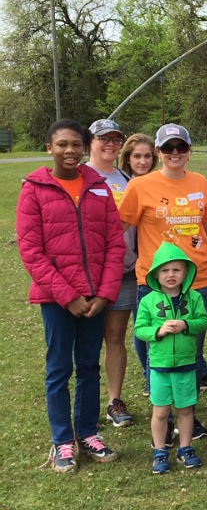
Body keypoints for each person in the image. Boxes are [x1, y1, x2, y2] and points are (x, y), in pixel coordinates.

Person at [18, 119, 126, 473]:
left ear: (84, 147)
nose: (69, 150)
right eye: (62, 144)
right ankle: (63, 440)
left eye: (76, 144)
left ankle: (88, 433)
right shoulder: (34, 189)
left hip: (96, 299)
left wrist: (105, 293)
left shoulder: (98, 187)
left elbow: (114, 244)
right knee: (59, 369)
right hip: (57, 300)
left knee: (89, 367)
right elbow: (31, 251)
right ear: (49, 148)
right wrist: (67, 296)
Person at [119, 123, 207, 440]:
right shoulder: (140, 186)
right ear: (159, 152)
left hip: (197, 279)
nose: (175, 153)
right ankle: (164, 417)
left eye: (181, 147)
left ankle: (186, 416)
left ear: (189, 150)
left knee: (189, 350)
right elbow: (118, 226)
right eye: (168, 148)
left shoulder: (199, 182)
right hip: (155, 282)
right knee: (156, 349)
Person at [135, 242, 207, 474]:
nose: (171, 275)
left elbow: (203, 321)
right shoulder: (148, 301)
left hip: (187, 365)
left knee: (186, 410)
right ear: (156, 274)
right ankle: (160, 451)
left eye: (176, 270)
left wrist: (186, 324)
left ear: (185, 273)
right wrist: (158, 331)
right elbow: (139, 329)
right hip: (159, 366)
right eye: (165, 270)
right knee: (160, 411)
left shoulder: (194, 298)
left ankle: (185, 448)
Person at [85, 119, 136, 427]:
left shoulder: (126, 179)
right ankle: (86, 402)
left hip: (125, 271)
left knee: (115, 336)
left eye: (116, 139)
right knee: (88, 340)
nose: (110, 144)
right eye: (103, 138)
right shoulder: (81, 176)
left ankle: (114, 400)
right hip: (91, 273)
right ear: (90, 142)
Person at [118, 133, 158, 397]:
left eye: (147, 156)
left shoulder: (157, 183)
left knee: (153, 318)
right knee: (140, 321)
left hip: (151, 262)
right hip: (129, 262)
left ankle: (155, 373)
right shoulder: (125, 185)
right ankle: (148, 373)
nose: (142, 162)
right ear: (128, 158)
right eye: (137, 156)